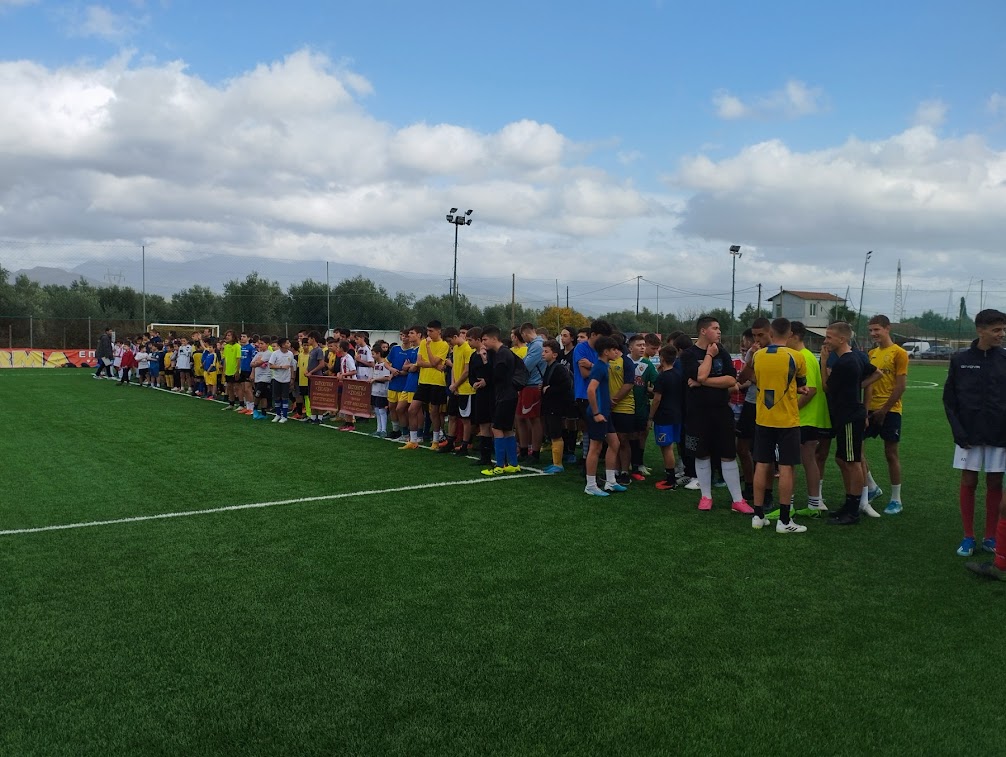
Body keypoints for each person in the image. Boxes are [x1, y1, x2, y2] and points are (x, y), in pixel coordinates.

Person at [942, 309, 1006, 565]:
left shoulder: (1005, 359)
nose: (1001, 334)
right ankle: (968, 536)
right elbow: (950, 400)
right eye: (996, 330)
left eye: (1003, 329)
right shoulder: (961, 359)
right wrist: (958, 431)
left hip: (999, 433)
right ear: (980, 330)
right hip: (968, 433)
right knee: (969, 481)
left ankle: (990, 536)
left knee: (995, 483)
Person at [741, 317, 809, 534]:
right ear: (789, 334)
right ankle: (784, 520)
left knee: (762, 465)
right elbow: (801, 384)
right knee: (787, 467)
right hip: (787, 420)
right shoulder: (797, 356)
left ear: (771, 333)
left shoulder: (758, 355)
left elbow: (752, 378)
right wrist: (798, 389)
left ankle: (758, 516)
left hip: (763, 418)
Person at [679, 316, 752, 513]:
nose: (719, 331)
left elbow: (731, 381)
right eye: (715, 328)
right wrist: (709, 356)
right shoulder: (688, 354)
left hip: (721, 411)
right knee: (702, 455)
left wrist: (703, 382)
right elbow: (699, 374)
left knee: (728, 454)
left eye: (719, 328)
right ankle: (706, 496)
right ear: (703, 331)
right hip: (697, 413)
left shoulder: (723, 352)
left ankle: (738, 500)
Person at [820, 322, 880, 525]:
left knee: (852, 462)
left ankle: (853, 510)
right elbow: (877, 373)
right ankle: (849, 504)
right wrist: (857, 386)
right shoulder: (856, 357)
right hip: (847, 416)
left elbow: (826, 387)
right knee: (842, 459)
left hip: (849, 418)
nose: (825, 341)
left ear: (842, 339)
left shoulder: (845, 362)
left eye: (829, 337)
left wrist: (823, 362)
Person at [863, 314, 909, 515]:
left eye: (877, 329)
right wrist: (866, 409)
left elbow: (901, 386)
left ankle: (896, 499)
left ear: (887, 328)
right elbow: (868, 384)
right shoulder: (871, 353)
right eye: (871, 330)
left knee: (890, 453)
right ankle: (872, 487)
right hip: (870, 409)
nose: (873, 333)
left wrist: (884, 410)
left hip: (890, 410)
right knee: (856, 449)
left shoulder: (899, 353)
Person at [787, 321, 830, 514]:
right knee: (808, 460)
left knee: (792, 462)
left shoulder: (803, 356)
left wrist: (792, 410)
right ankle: (813, 504)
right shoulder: (806, 356)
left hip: (804, 418)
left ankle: (790, 506)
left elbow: (810, 390)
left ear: (794, 336)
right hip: (808, 418)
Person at [584, 336, 625, 496]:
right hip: (598, 414)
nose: (617, 352)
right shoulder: (600, 367)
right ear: (606, 352)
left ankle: (611, 482)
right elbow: (591, 390)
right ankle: (591, 485)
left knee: (615, 444)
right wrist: (596, 413)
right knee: (595, 448)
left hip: (605, 413)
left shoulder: (604, 366)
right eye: (614, 349)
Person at [480, 325, 521, 475]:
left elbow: (497, 376)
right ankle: (513, 464)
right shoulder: (502, 352)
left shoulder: (503, 354)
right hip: (508, 395)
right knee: (507, 429)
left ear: (494, 338)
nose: (483, 343)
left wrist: (485, 361)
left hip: (505, 396)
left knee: (497, 428)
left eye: (485, 339)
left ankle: (500, 465)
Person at [648, 344, 683, 491]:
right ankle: (671, 476)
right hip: (677, 415)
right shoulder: (679, 374)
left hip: (664, 416)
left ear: (662, 358)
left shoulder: (662, 377)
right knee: (670, 446)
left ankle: (671, 480)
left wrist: (650, 417)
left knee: (667, 447)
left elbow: (657, 399)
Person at [412, 320, 450, 449]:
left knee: (434, 412)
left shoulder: (444, 345)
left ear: (439, 331)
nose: (428, 333)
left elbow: (434, 361)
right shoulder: (423, 342)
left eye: (431, 331)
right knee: (412, 409)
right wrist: (435, 366)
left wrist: (428, 348)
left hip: (437, 382)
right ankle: (413, 440)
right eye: (427, 330)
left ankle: (435, 440)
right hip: (423, 381)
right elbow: (419, 362)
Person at [540, 338, 574, 474]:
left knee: (556, 434)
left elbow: (566, 385)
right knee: (552, 433)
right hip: (550, 405)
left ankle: (558, 464)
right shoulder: (550, 367)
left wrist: (549, 389)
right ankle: (555, 461)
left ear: (554, 354)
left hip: (556, 406)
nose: (543, 354)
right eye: (543, 351)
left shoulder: (558, 368)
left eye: (546, 351)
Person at [444, 326, 475, 455]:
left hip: (466, 389)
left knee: (465, 418)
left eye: (450, 341)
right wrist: (453, 384)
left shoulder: (467, 349)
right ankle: (450, 442)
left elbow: (467, 371)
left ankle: (465, 445)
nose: (449, 344)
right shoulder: (455, 348)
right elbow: (454, 368)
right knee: (452, 415)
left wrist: (456, 384)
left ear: (455, 337)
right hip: (456, 388)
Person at [517, 322, 546, 462]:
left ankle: (534, 452)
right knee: (521, 418)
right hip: (527, 385)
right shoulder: (533, 345)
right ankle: (524, 450)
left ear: (524, 334)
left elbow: (525, 366)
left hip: (533, 385)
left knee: (534, 419)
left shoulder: (537, 346)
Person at [467, 327, 496, 466]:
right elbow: (471, 374)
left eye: (470, 340)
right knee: (483, 423)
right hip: (480, 393)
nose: (468, 343)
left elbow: (495, 372)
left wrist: (487, 381)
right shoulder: (473, 356)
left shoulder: (491, 354)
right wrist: (474, 383)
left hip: (492, 392)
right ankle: (485, 457)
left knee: (494, 425)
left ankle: (499, 454)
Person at [268, 337, 297, 423]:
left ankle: (284, 416)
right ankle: (278, 414)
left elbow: (292, 366)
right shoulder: (275, 354)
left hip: (286, 379)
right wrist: (281, 367)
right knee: (277, 397)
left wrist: (292, 378)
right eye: (287, 343)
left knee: (285, 397)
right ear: (283, 345)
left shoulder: (290, 354)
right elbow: (271, 365)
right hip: (276, 378)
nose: (289, 344)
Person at [305, 331, 327, 424]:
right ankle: (313, 417)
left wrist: (311, 372)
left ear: (313, 339)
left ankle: (320, 417)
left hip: (317, 377)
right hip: (311, 377)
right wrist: (307, 370)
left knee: (318, 397)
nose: (308, 341)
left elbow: (321, 364)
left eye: (309, 339)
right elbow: (310, 363)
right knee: (311, 396)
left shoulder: (319, 350)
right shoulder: (312, 350)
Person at [251, 337, 272, 420]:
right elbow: (251, 364)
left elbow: (258, 363)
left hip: (265, 377)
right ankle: (263, 413)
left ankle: (255, 409)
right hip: (258, 377)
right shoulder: (258, 354)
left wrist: (257, 362)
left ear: (267, 344)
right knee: (263, 396)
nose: (260, 345)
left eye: (262, 344)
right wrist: (257, 363)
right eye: (259, 343)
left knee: (258, 394)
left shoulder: (269, 354)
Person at [222, 330, 242, 411]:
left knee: (237, 387)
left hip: (235, 370)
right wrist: (224, 370)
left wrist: (237, 371)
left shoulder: (237, 346)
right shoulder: (226, 347)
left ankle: (241, 404)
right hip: (228, 370)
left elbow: (238, 359)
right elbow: (225, 359)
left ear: (233, 337)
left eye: (229, 335)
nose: (227, 337)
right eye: (226, 335)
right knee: (229, 387)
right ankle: (231, 404)